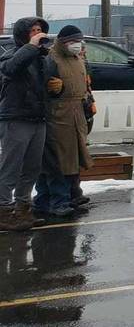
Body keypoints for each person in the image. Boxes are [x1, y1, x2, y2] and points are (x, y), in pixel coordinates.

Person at [0, 17, 52, 232]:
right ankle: (3, 211)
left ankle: (22, 209)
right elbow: (12, 69)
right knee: (10, 167)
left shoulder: (41, 58)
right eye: (32, 30)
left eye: (40, 30)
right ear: (23, 34)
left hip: (37, 118)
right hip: (16, 118)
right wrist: (31, 47)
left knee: (31, 168)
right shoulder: (13, 55)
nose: (37, 33)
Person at [36, 26, 94, 217]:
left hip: (76, 114)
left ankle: (64, 196)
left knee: (73, 158)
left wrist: (89, 102)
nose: (77, 45)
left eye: (79, 41)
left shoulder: (78, 59)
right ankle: (56, 201)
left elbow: (85, 83)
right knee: (58, 161)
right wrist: (55, 90)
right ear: (63, 42)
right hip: (59, 116)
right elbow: (40, 88)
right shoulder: (51, 59)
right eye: (73, 42)